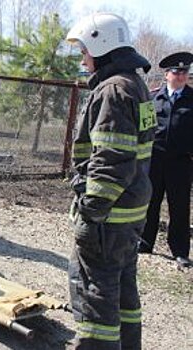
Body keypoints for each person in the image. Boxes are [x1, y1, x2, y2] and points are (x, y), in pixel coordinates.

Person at [66, 12, 156, 350]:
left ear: (101, 45)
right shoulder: (136, 85)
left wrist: (91, 210)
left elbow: (111, 160)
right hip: (130, 214)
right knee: (123, 297)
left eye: (84, 50)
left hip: (108, 219)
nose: (83, 59)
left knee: (96, 299)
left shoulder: (113, 91)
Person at [140, 51, 193, 269]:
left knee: (179, 208)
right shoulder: (153, 98)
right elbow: (143, 130)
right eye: (176, 72)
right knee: (149, 203)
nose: (181, 76)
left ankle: (180, 251)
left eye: (185, 72)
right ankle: (144, 243)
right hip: (154, 160)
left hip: (181, 163)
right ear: (166, 75)